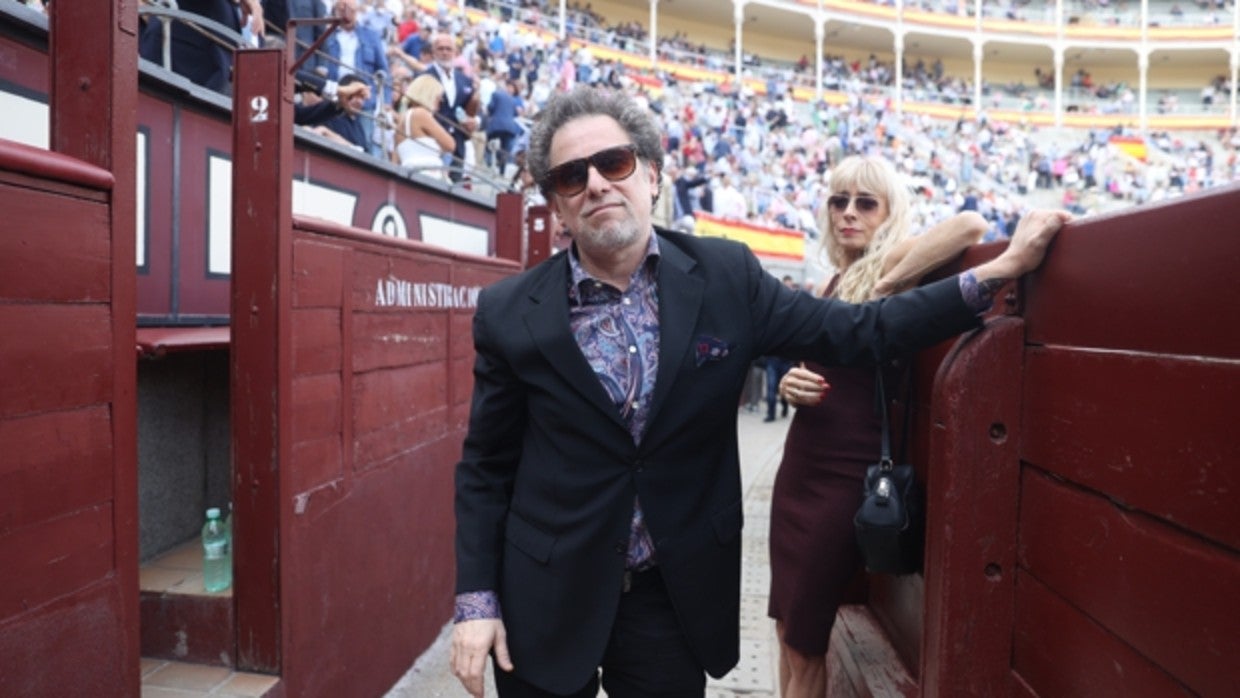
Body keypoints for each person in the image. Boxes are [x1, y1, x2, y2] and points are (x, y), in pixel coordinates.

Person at [450, 85, 1069, 698]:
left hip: (670, 594)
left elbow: (861, 330)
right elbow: (485, 467)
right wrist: (476, 602)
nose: (595, 184)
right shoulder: (508, 312)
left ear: (653, 175)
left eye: (613, 163)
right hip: (547, 592)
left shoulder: (726, 276)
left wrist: (997, 272)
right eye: (569, 176)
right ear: (556, 205)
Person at [766, 155, 994, 698]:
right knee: (784, 627)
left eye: (866, 203)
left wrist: (887, 282)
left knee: (804, 639)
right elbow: (827, 369)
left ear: (889, 213)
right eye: (839, 201)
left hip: (845, 475)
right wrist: (788, 384)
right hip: (801, 466)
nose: (848, 213)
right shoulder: (832, 279)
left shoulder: (889, 261)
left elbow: (971, 226)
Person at [322, 0, 389, 158]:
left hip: (363, 99)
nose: (346, 13)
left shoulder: (370, 36)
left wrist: (385, 102)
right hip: (334, 96)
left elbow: (383, 70)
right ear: (334, 11)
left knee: (364, 143)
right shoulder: (325, 34)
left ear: (357, 11)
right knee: (334, 139)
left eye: (350, 9)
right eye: (341, 9)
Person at [420, 31, 480, 181]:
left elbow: (471, 112)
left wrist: (474, 122)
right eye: (441, 49)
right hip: (432, 144)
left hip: (458, 147)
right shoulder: (424, 77)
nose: (445, 52)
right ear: (433, 52)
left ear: (455, 52)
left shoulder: (465, 81)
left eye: (448, 49)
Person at [393, 74, 455, 178]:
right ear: (429, 95)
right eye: (438, 98)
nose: (440, 102)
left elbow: (395, 161)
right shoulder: (420, 114)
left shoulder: (401, 120)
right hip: (427, 176)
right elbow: (451, 145)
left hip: (407, 176)